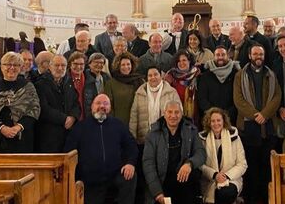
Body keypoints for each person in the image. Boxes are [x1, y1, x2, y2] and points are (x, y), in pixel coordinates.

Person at [64, 94, 139, 204]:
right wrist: (77, 176)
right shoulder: (80, 127)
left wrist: (130, 163)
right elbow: (69, 152)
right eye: (98, 103)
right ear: (92, 107)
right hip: (90, 179)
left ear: (110, 108)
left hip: (115, 174)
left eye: (105, 103)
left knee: (130, 177)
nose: (102, 106)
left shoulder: (118, 125)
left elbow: (131, 146)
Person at [233, 44, 281, 204]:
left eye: (261, 54)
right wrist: (255, 115)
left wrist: (265, 114)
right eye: (255, 54)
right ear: (249, 56)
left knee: (266, 167)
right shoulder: (240, 75)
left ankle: (266, 198)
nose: (258, 56)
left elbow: (276, 97)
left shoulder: (271, 74)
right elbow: (238, 99)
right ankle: (251, 198)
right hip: (248, 128)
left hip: (268, 127)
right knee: (250, 167)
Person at [129, 67, 181, 204]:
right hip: (144, 139)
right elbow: (134, 116)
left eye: (155, 74)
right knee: (148, 172)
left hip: (165, 139)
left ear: (161, 75)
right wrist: (132, 138)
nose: (153, 77)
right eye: (150, 75)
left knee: (163, 172)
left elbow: (179, 113)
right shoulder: (140, 92)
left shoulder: (171, 92)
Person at [142, 100, 206, 204]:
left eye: (177, 112)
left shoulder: (191, 130)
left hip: (184, 181)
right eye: (170, 112)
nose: (173, 116)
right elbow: (148, 164)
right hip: (161, 182)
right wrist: (157, 192)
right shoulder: (153, 133)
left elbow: (201, 153)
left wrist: (189, 164)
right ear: (164, 113)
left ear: (181, 114)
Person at [0, 52, 40, 153]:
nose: (11, 68)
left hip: (21, 137)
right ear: (1, 67)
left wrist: (18, 127)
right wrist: (2, 128)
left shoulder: (28, 87)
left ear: (20, 67)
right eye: (7, 64)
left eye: (15, 65)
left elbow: (34, 109)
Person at [198, 107, 247, 204]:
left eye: (218, 120)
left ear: (223, 121)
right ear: (209, 122)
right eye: (213, 121)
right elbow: (200, 164)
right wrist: (215, 175)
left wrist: (226, 176)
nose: (216, 124)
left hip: (231, 179)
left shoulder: (234, 137)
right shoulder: (202, 139)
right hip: (210, 180)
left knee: (226, 193)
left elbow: (242, 164)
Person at [34, 55, 79, 153]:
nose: (60, 68)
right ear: (50, 67)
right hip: (48, 135)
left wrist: (73, 117)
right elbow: (43, 108)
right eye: (57, 65)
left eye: (63, 65)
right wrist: (64, 119)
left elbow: (75, 103)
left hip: (68, 134)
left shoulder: (69, 83)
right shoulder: (40, 84)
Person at [197, 46, 239, 125]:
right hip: (210, 119)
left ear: (228, 56)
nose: (220, 57)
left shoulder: (235, 74)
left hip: (231, 118)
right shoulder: (206, 75)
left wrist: (226, 114)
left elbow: (238, 97)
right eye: (218, 55)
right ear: (214, 56)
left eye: (223, 55)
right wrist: (214, 114)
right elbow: (202, 98)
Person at [105, 52, 145, 126]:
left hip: (138, 124)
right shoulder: (110, 84)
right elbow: (108, 107)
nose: (126, 67)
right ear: (118, 66)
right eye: (123, 65)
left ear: (132, 65)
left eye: (128, 64)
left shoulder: (140, 81)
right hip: (118, 124)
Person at [164, 50, 201, 121]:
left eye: (184, 60)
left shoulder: (197, 75)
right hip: (176, 115)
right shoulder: (171, 76)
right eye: (179, 61)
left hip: (194, 114)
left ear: (189, 61)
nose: (181, 63)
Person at [68, 52, 98, 121]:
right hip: (71, 122)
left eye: (81, 64)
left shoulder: (91, 81)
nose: (78, 67)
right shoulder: (65, 80)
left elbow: (95, 101)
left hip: (87, 120)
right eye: (75, 64)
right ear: (70, 64)